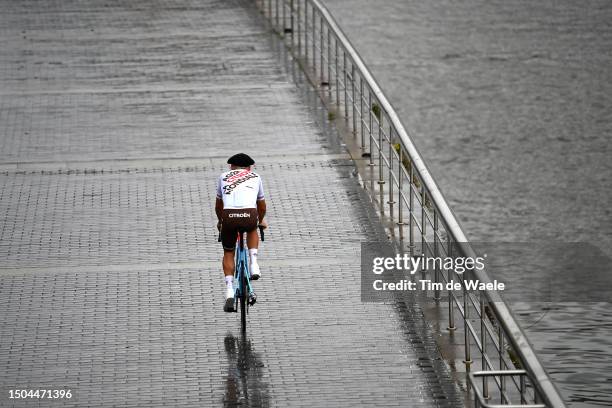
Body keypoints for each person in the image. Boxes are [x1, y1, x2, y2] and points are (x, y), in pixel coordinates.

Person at [216, 153, 267, 312]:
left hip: (229, 217)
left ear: (231, 166)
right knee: (253, 226)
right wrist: (261, 220)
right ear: (249, 167)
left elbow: (218, 206)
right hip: (249, 215)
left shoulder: (223, 176)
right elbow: (262, 206)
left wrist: (220, 221)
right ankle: (254, 264)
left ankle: (230, 290)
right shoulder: (255, 177)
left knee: (229, 252)